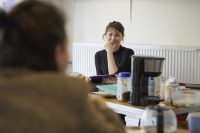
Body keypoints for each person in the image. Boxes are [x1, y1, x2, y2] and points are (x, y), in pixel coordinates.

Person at [0, 1, 125, 133]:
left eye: (117, 34)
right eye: (66, 47)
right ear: (58, 52)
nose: (113, 38)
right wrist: (101, 108)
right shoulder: (70, 96)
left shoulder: (127, 53)